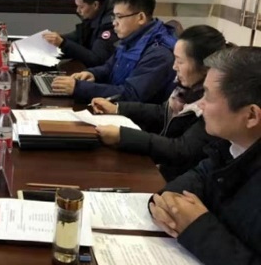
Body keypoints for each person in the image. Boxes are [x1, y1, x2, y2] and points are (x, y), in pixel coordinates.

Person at [149, 47, 261, 265]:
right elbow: (191, 181)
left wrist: (198, 228)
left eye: (208, 97)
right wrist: (165, 203)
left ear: (251, 115)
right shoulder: (230, 146)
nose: (200, 104)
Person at [92, 25, 227, 181]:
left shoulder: (213, 103)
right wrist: (117, 108)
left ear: (204, 67)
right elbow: (162, 111)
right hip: (163, 168)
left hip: (179, 178)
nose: (174, 66)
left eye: (180, 61)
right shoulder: (186, 89)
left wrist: (122, 136)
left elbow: (181, 149)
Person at [52, 0, 176, 104]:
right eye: (114, 16)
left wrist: (79, 88)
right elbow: (110, 67)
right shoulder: (132, 38)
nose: (114, 23)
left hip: (132, 115)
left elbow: (131, 94)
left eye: (119, 17)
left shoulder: (158, 53)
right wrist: (92, 74)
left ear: (141, 18)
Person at [43, 0, 117, 67]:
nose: (77, 10)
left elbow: (96, 60)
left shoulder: (109, 24)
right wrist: (58, 39)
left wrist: (63, 43)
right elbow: (81, 36)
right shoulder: (96, 13)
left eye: (81, 7)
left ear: (95, 5)